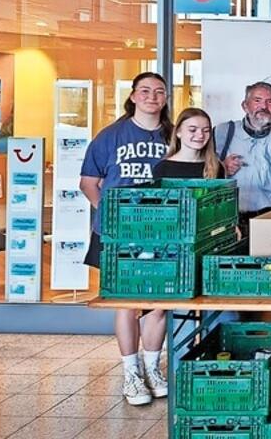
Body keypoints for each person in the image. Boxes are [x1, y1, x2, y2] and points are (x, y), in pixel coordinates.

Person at [79, 72, 172, 406]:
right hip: (120, 236)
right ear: (133, 96)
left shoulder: (172, 135)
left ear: (165, 98)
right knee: (128, 304)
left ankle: (152, 369)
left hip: (164, 233)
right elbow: (89, 182)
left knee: (161, 305)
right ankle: (131, 373)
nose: (152, 96)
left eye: (159, 92)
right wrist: (112, 217)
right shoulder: (111, 136)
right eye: (145, 91)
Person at [214, 82, 271, 235]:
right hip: (228, 221)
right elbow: (202, 170)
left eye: (270, 101)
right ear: (245, 105)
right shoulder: (222, 133)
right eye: (257, 100)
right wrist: (221, 167)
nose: (263, 106)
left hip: (267, 221)